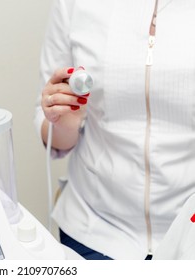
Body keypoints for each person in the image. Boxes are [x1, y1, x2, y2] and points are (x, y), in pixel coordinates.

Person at [34, 0, 195, 260]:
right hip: (96, 228)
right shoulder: (73, 5)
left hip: (189, 225)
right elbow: (53, 135)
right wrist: (64, 119)